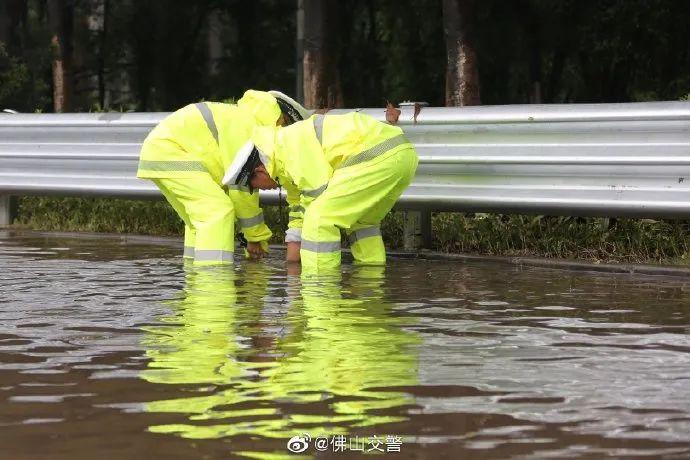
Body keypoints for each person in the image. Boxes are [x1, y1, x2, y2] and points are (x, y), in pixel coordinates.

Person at [223, 111, 418, 271]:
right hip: (403, 157)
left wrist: (296, 273)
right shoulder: (283, 161)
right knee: (363, 223)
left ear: (259, 170)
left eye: (255, 187)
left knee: (320, 218)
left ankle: (320, 288)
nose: (262, 190)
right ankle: (370, 279)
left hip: (376, 156)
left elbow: (316, 199)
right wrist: (291, 261)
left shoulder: (289, 145)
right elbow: (299, 207)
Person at [137, 90, 309, 265]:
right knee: (217, 212)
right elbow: (242, 190)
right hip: (172, 152)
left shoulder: (242, 118)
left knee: (200, 220)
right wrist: (255, 237)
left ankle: (194, 275)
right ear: (282, 120)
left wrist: (253, 235)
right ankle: (214, 282)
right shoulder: (252, 129)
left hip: (161, 152)